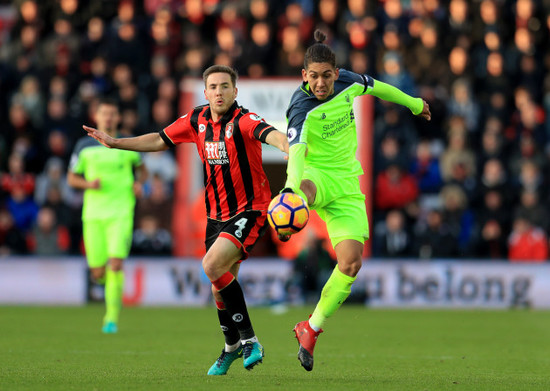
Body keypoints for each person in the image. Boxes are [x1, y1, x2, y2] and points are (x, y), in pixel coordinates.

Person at [82, 65, 289, 375]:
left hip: (250, 210)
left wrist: (291, 147)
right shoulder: (196, 120)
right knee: (218, 287)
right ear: (205, 93)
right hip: (215, 215)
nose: (219, 92)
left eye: (224, 86)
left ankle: (250, 340)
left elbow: (271, 135)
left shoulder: (244, 120)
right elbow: (159, 139)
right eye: (213, 87)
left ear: (235, 91)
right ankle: (231, 347)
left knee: (210, 266)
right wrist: (115, 142)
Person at [281, 30, 431, 371]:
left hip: (348, 185)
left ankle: (311, 328)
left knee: (350, 264)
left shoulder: (348, 82)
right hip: (316, 175)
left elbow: (379, 87)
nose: (320, 83)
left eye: (326, 76)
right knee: (300, 188)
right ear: (304, 76)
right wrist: (291, 189)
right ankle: (287, 213)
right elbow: (298, 154)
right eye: (313, 77)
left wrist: (413, 103)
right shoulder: (299, 107)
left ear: (336, 73)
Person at [67, 98, 148, 334]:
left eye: (113, 113)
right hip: (93, 214)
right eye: (105, 113)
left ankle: (111, 318)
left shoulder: (127, 143)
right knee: (98, 271)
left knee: (116, 264)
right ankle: (105, 285)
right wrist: (88, 184)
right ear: (97, 117)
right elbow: (71, 177)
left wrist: (139, 184)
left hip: (121, 212)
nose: (109, 118)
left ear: (118, 118)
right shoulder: (84, 146)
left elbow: (143, 171)